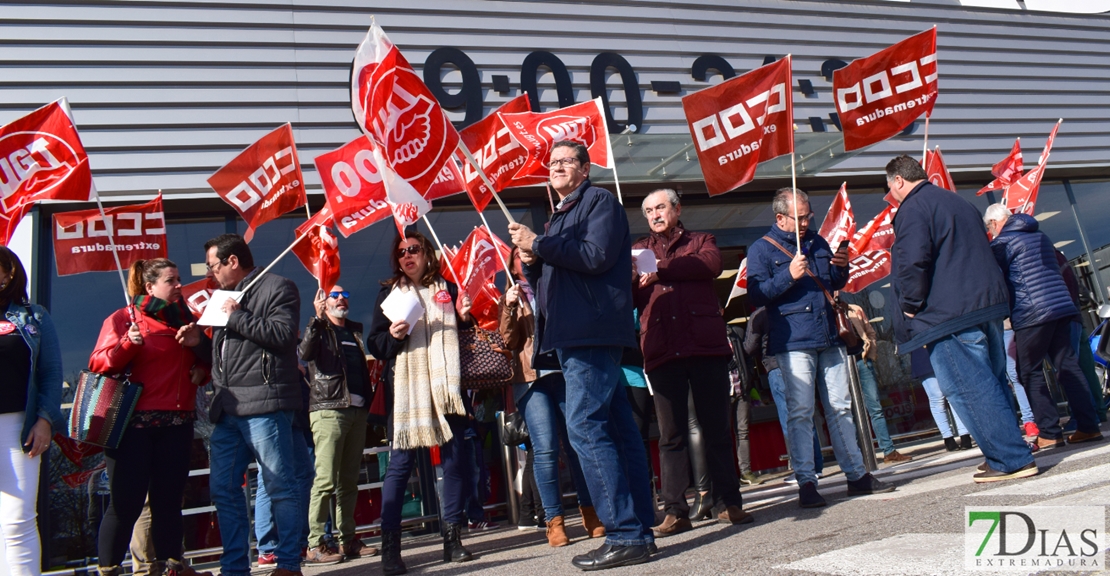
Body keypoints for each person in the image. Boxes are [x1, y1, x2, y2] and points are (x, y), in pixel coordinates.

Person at [508, 140, 655, 570]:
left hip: (590, 331)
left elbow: (593, 256)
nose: (554, 167)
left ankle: (625, 533)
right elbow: (555, 272)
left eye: (564, 161)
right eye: (550, 163)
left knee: (585, 426)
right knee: (616, 428)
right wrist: (531, 259)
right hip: (575, 332)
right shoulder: (562, 213)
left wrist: (541, 242)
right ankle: (639, 529)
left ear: (585, 168)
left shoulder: (599, 202)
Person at [885, 156, 1037, 483]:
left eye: (889, 187)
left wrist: (910, 305)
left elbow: (912, 262)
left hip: (947, 314)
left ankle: (1011, 458)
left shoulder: (912, 209)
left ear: (898, 181)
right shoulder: (958, 202)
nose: (891, 193)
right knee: (992, 385)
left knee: (968, 389)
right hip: (984, 306)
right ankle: (1003, 452)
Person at [747, 188, 893, 508]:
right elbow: (756, 295)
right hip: (793, 341)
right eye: (798, 218)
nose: (804, 222)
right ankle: (807, 482)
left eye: (808, 215)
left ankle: (856, 475)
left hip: (828, 335)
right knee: (801, 412)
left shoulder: (818, 242)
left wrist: (841, 267)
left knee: (840, 407)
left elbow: (833, 283)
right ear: (780, 217)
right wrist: (788, 275)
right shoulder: (760, 249)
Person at [631, 188, 752, 537]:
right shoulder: (638, 251)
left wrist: (661, 271)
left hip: (705, 346)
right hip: (661, 349)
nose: (655, 214)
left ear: (676, 209)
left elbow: (709, 264)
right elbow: (627, 293)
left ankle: (728, 502)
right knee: (671, 436)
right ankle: (675, 510)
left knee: (716, 428)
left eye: (660, 207)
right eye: (649, 209)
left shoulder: (702, 240)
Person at [88, 258, 209, 576]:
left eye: (180, 278)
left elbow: (206, 359)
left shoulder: (187, 320)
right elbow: (99, 363)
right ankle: (109, 569)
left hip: (178, 424)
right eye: (171, 280)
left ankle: (171, 566)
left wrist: (202, 369)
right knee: (125, 504)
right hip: (133, 427)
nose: (179, 285)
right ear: (149, 286)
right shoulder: (124, 318)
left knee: (168, 503)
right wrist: (128, 343)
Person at [366, 231, 476, 575]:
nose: (407, 256)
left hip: (445, 387)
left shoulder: (448, 287)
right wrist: (395, 335)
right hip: (407, 392)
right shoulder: (390, 293)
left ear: (427, 252)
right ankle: (390, 547)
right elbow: (377, 345)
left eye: (413, 249)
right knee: (400, 468)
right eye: (401, 252)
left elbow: (464, 338)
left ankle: (453, 539)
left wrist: (464, 317)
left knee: (455, 461)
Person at [196, 233, 304, 576]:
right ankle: (233, 568)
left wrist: (237, 316)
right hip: (227, 410)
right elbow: (223, 355)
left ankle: (288, 563)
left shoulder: (278, 287)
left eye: (214, 265)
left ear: (232, 261)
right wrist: (196, 343)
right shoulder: (221, 297)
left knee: (279, 485)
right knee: (224, 489)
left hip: (265, 406)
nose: (211, 273)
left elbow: (283, 335)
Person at [499, 247, 602, 548]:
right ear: (512, 261)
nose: (524, 257)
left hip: (562, 371)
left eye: (528, 251)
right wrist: (508, 307)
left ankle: (591, 514)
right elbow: (508, 341)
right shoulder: (510, 294)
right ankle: (554, 522)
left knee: (576, 443)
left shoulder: (551, 281)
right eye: (518, 253)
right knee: (544, 449)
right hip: (530, 379)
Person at [984, 203, 1103, 448]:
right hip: (1060, 308)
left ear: (995, 223)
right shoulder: (1039, 236)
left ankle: (1049, 431)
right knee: (1068, 367)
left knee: (1029, 371)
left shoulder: (1002, 245)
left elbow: (995, 280)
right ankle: (1089, 426)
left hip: (1032, 313)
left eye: (989, 227)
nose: (990, 231)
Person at [298, 285, 379, 563]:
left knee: (348, 481)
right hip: (329, 411)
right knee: (325, 480)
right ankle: (316, 544)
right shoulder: (320, 330)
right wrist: (316, 319)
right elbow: (305, 353)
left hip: (356, 412)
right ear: (324, 302)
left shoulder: (353, 331)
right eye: (334, 295)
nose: (341, 298)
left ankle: (347, 540)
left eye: (344, 294)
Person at [0, 247, 63, 576]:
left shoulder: (33, 316)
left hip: (17, 430)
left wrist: (45, 421)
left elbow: (51, 374)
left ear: (8, 273)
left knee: (18, 520)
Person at [742, 306, 824, 484]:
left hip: (776, 366)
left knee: (790, 419)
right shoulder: (790, 307)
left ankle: (802, 468)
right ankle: (816, 465)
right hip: (799, 364)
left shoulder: (759, 315)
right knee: (805, 415)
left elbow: (749, 347)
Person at [846, 302, 912, 464]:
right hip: (840, 364)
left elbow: (870, 332)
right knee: (848, 412)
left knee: (875, 407)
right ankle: (857, 456)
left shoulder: (854, 309)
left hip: (862, 360)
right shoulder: (825, 312)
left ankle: (888, 450)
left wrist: (870, 352)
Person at [910, 348, 970, 451]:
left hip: (940, 346)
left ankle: (964, 434)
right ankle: (948, 438)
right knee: (937, 397)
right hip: (921, 350)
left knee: (953, 394)